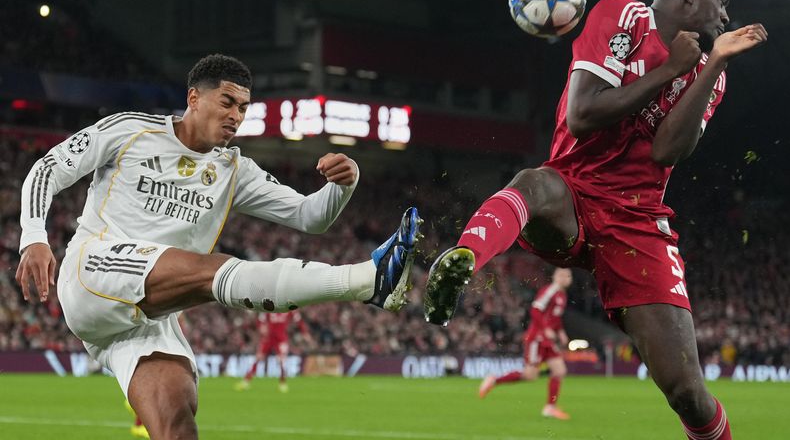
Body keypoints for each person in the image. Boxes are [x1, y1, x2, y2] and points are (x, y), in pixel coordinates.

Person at [423, 0, 767, 440]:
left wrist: (712, 66)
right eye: (723, 1)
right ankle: (463, 260)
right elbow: (582, 115)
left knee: (687, 392)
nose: (727, 15)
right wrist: (669, 69)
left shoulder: (712, 74)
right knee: (534, 182)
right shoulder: (620, 15)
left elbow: (668, 151)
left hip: (638, 222)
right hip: (572, 189)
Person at [16, 54, 422, 440]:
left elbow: (309, 216)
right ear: (194, 97)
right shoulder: (130, 129)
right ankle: (367, 281)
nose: (236, 116)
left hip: (145, 319)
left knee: (177, 422)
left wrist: (343, 185)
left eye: (243, 108)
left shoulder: (233, 170)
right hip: (91, 273)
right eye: (227, 102)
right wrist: (34, 236)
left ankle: (371, 282)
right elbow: (48, 167)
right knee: (210, 269)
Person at [478, 268, 572, 420]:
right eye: (561, 275)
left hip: (548, 340)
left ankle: (550, 407)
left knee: (559, 370)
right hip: (537, 338)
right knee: (530, 375)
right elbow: (535, 309)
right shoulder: (550, 291)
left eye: (568, 276)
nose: (565, 278)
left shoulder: (562, 295)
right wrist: (546, 329)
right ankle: (494, 380)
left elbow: (554, 317)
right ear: (554, 276)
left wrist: (560, 331)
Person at [235, 310, 313, 392]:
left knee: (282, 361)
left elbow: (299, 321)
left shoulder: (290, 308)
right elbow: (260, 320)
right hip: (268, 338)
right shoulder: (268, 307)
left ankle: (282, 383)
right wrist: (262, 327)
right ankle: (246, 382)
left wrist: (305, 332)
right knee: (258, 358)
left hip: (281, 339)